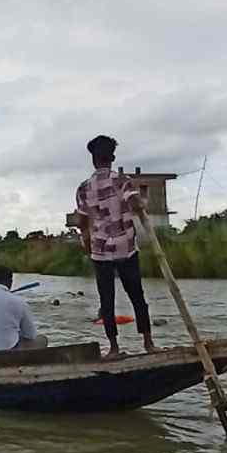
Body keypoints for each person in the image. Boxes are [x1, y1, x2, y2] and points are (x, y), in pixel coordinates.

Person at [76, 135, 158, 357]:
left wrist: (85, 241)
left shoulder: (83, 188)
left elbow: (82, 221)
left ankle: (113, 348)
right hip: (125, 248)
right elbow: (134, 202)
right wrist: (141, 202)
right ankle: (148, 343)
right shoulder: (122, 181)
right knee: (137, 297)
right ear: (112, 158)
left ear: (93, 160)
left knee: (107, 301)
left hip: (100, 251)